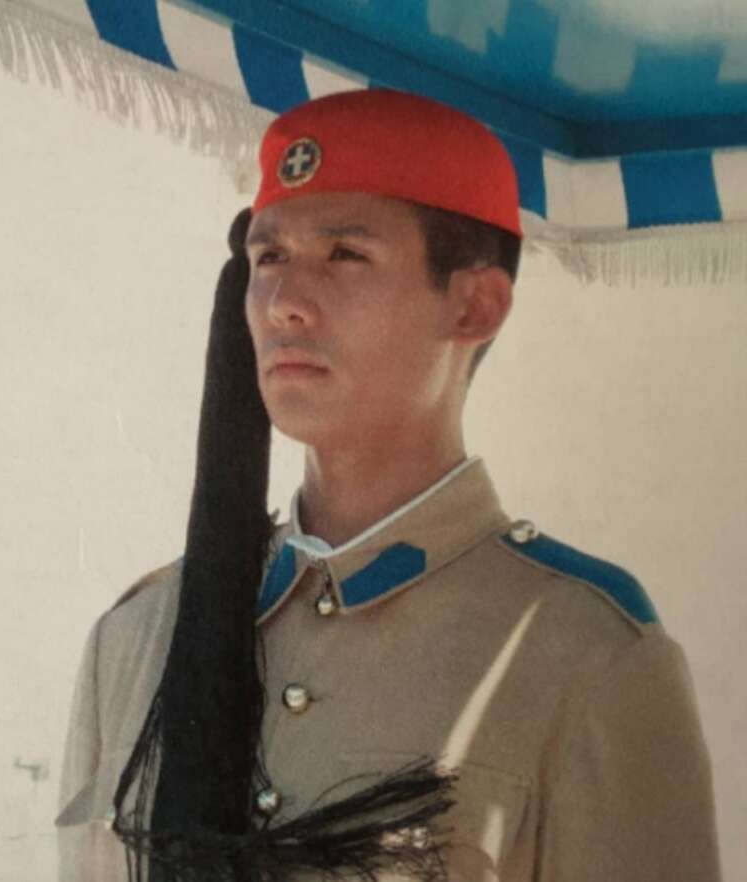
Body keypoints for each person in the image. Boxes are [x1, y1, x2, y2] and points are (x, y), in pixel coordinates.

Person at [57, 89, 721, 882]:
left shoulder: (586, 657)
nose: (285, 304)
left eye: (345, 254)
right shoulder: (137, 636)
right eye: (269, 258)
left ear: (474, 306)